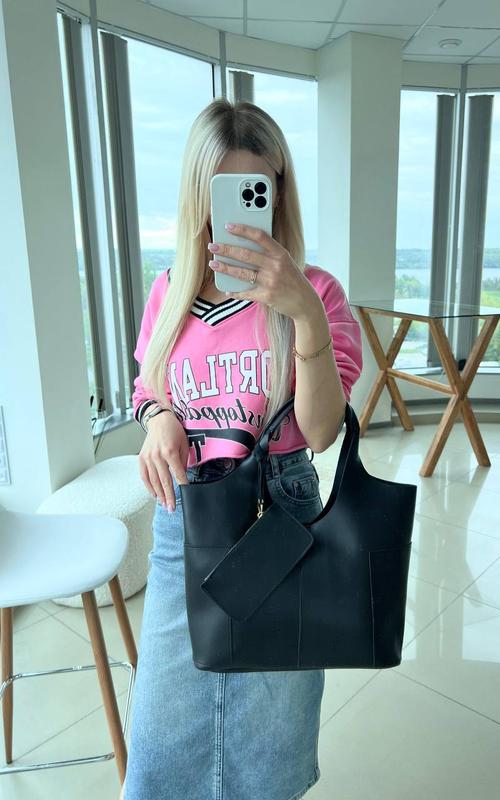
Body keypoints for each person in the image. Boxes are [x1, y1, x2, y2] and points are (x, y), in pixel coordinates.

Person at [120, 97, 363, 800]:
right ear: (196, 194)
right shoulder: (168, 292)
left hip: (280, 516)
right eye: (219, 188)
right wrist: (158, 418)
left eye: (256, 186)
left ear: (278, 191)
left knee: (269, 745)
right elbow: (147, 386)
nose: (238, 206)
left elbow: (322, 430)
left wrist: (303, 312)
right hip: (185, 518)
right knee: (162, 742)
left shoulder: (318, 293)